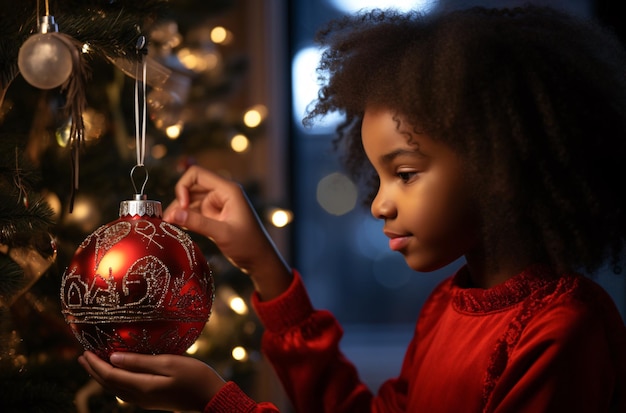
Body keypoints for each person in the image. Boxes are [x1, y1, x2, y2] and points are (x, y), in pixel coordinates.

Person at [78, 4, 626, 412]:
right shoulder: (449, 305)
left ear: (499, 163)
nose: (380, 203)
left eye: (405, 173)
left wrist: (216, 402)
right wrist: (264, 266)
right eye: (379, 175)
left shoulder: (562, 333)